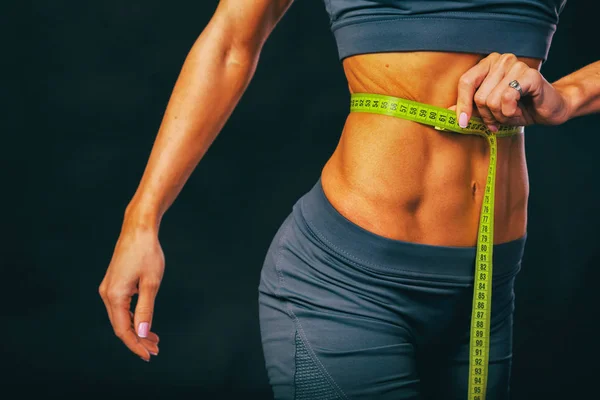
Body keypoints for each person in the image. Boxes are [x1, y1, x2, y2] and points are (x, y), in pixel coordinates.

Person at [98, 0, 600, 398]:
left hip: (488, 289)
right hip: (345, 287)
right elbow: (231, 40)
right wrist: (141, 218)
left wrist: (569, 95)